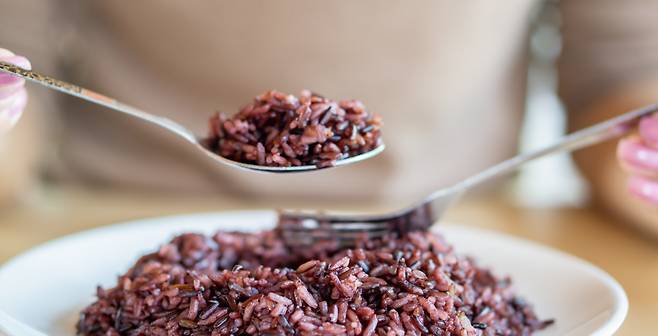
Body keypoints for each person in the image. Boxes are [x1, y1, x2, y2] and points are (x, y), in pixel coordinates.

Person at [0, 1, 656, 234]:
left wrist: (645, 163)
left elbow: (623, 70)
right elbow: (17, 52)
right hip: (108, 224)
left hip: (457, 227)